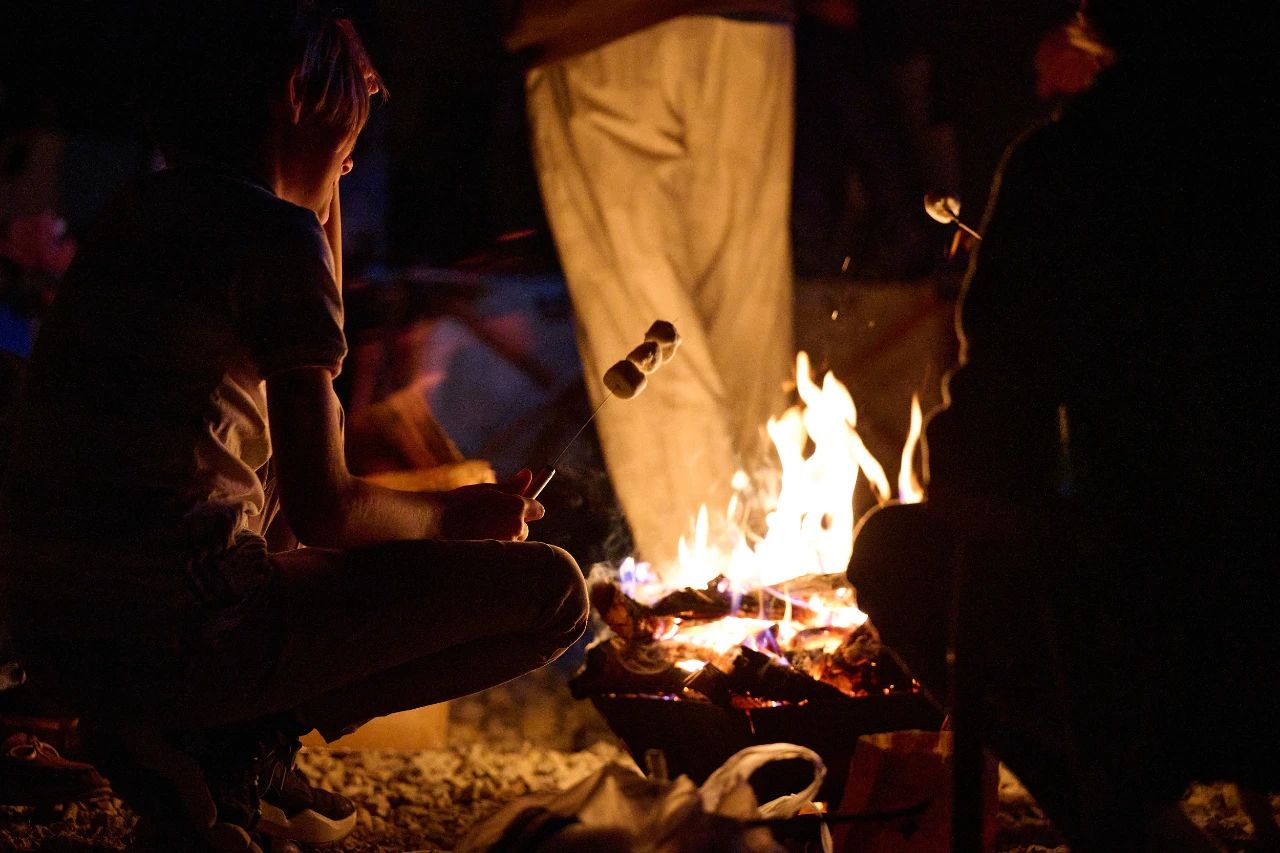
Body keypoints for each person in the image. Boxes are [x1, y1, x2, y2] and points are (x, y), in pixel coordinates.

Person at [0, 3, 588, 850]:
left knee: (260, 460)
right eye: (350, 143)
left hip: (57, 634)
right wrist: (456, 516)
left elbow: (306, 425)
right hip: (177, 635)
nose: (353, 166)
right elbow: (330, 508)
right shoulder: (272, 237)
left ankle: (181, 730)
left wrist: (320, 181)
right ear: (294, 94)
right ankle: (230, 736)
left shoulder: (140, 212)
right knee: (555, 593)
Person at [850, 1, 1279, 849]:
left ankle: (1140, 834)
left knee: (899, 557)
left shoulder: (1075, 164)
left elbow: (980, 450)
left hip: (1162, 651)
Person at [503, 0, 797, 569]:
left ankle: (709, 599)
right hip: (748, 26)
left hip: (598, 28)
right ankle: (766, 586)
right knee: (748, 321)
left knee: (640, 326)